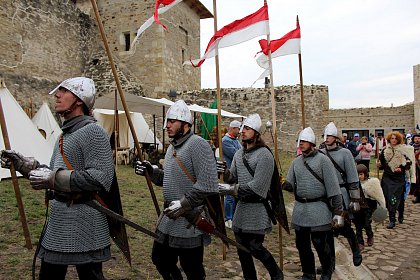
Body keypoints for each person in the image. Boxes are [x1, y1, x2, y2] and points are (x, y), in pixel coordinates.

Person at [1, 77, 117, 279]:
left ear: (79, 100)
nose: (57, 95)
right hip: (60, 220)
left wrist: (53, 178)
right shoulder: (64, 135)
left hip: (86, 221)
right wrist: (26, 166)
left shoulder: (93, 132)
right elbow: (54, 171)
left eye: (64, 91)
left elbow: (100, 178)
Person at [135, 100, 219, 280]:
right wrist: (151, 172)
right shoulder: (173, 147)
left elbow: (208, 184)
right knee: (160, 259)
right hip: (169, 218)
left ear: (186, 124)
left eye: (172, 121)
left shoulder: (198, 144)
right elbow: (169, 179)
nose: (167, 126)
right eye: (167, 121)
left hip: (189, 219)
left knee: (192, 269)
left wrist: (184, 204)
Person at [218, 113, 284, 280]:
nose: (242, 131)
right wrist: (224, 171)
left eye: (247, 128)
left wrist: (229, 189)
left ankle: (276, 274)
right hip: (241, 209)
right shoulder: (239, 154)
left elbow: (257, 188)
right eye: (242, 128)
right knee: (243, 251)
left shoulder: (264, 155)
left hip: (257, 208)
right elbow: (232, 177)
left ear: (256, 133)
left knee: (255, 247)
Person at [284, 127, 344, 280]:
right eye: (300, 141)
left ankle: (326, 271)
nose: (301, 144)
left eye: (304, 141)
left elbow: (333, 187)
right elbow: (290, 183)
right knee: (302, 245)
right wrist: (285, 184)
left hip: (319, 208)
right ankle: (308, 273)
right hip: (301, 210)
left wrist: (338, 211)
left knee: (320, 244)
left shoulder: (323, 160)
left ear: (312, 143)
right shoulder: (296, 162)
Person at [319, 122, 363, 271]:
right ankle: (330, 264)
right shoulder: (320, 152)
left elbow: (352, 176)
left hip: (341, 192)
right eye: (325, 136)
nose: (327, 138)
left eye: (330, 136)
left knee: (343, 226)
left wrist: (355, 199)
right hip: (325, 195)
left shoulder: (345, 153)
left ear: (336, 137)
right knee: (327, 232)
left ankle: (356, 250)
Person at [377, 131, 412, 229]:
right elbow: (382, 164)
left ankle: (400, 214)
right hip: (387, 177)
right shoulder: (384, 150)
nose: (394, 140)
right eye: (392, 138)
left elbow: (409, 162)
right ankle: (392, 218)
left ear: (398, 140)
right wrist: (379, 165)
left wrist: (402, 168)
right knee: (389, 197)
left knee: (397, 197)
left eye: (395, 138)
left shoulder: (403, 150)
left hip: (398, 178)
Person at [354, 164, 386, 250]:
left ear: (365, 174)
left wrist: (381, 205)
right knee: (358, 226)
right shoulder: (354, 184)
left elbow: (378, 195)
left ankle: (370, 235)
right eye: (357, 174)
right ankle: (360, 242)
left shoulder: (371, 183)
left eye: (361, 174)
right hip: (357, 207)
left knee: (367, 224)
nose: (359, 176)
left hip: (368, 207)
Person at [221, 120, 242, 228]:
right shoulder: (225, 141)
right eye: (238, 129)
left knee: (235, 194)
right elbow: (236, 154)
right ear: (233, 128)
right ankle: (227, 218)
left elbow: (242, 151)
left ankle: (233, 216)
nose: (239, 131)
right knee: (229, 196)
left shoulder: (236, 141)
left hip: (237, 172)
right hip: (229, 172)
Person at [410, 134, 420, 203]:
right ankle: (418, 197)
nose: (417, 140)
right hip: (415, 167)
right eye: (416, 138)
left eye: (419, 138)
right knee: (417, 182)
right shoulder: (411, 148)